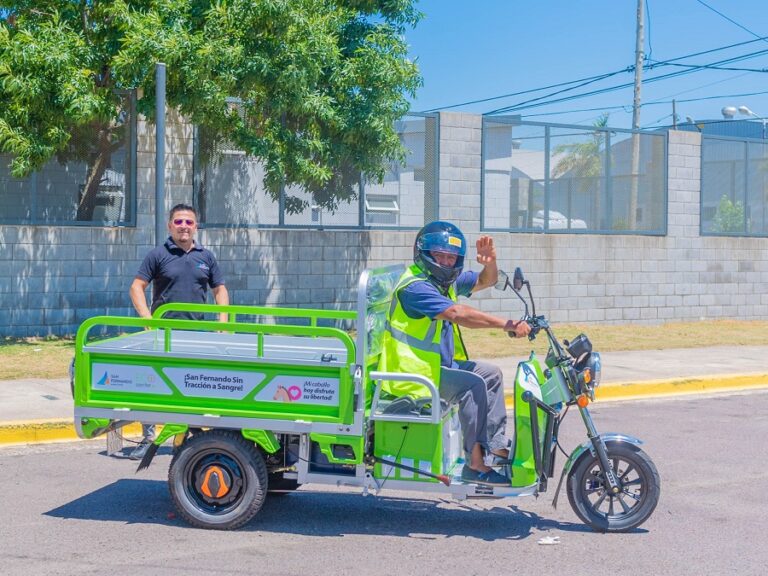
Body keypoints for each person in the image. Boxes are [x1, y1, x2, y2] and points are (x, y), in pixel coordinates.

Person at [380, 221, 530, 487]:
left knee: (491, 374)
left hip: (435, 367)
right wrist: (507, 324)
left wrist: (490, 262)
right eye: (440, 256)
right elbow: (457, 314)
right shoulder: (415, 287)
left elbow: (486, 280)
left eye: (451, 258)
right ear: (424, 253)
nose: (446, 262)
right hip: (413, 376)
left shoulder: (443, 282)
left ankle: (496, 448)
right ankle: (474, 465)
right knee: (472, 385)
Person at [128, 203, 230, 459]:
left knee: (190, 385)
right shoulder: (158, 255)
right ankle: (148, 438)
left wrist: (223, 322)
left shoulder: (206, 257)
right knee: (153, 386)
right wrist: (148, 320)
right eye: (179, 222)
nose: (184, 226)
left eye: (189, 222)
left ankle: (183, 437)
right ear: (170, 225)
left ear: (196, 226)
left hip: (196, 335)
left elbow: (220, 290)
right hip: (163, 335)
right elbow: (136, 287)